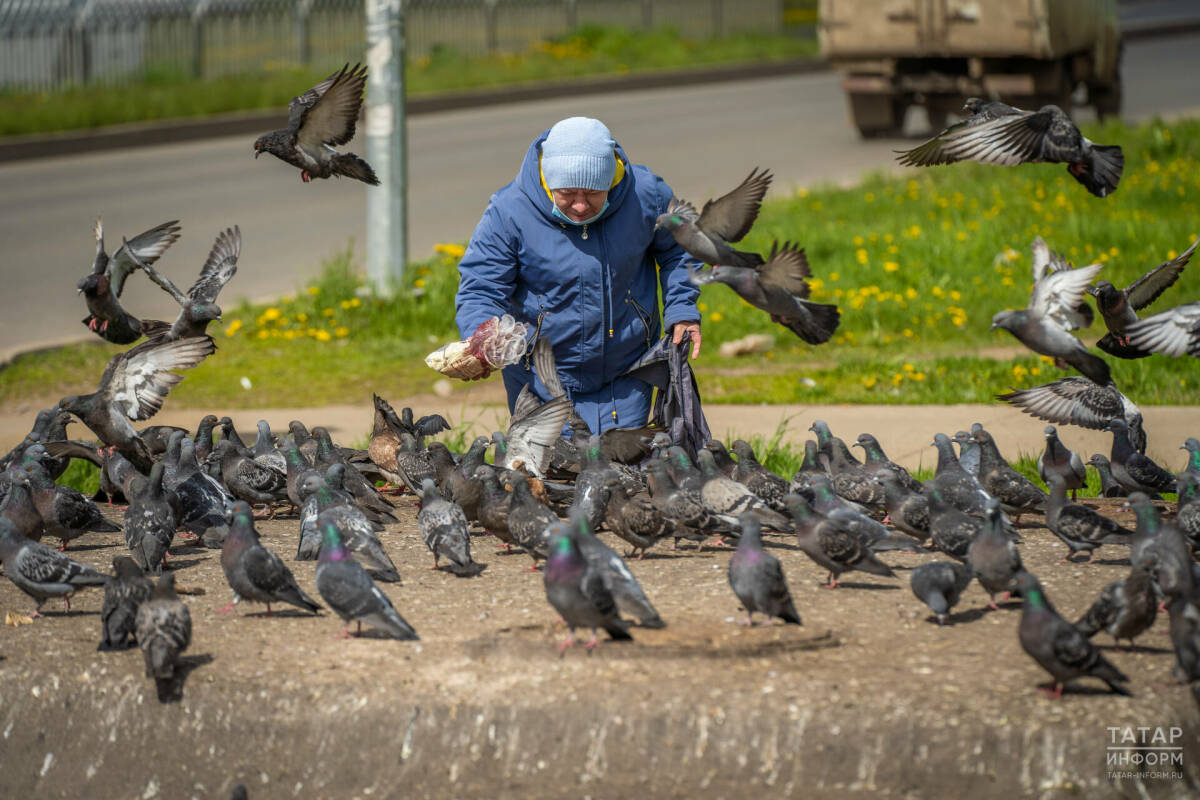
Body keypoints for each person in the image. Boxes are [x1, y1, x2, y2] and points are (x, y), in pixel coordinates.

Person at [454, 116, 702, 433]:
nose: (581, 206)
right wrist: (483, 337)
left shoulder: (646, 195)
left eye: (593, 193)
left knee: (620, 473)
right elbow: (480, 289)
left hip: (627, 369)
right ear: (547, 181)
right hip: (540, 374)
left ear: (612, 180)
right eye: (568, 193)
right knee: (552, 472)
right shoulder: (509, 211)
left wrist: (682, 309)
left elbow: (680, 248)